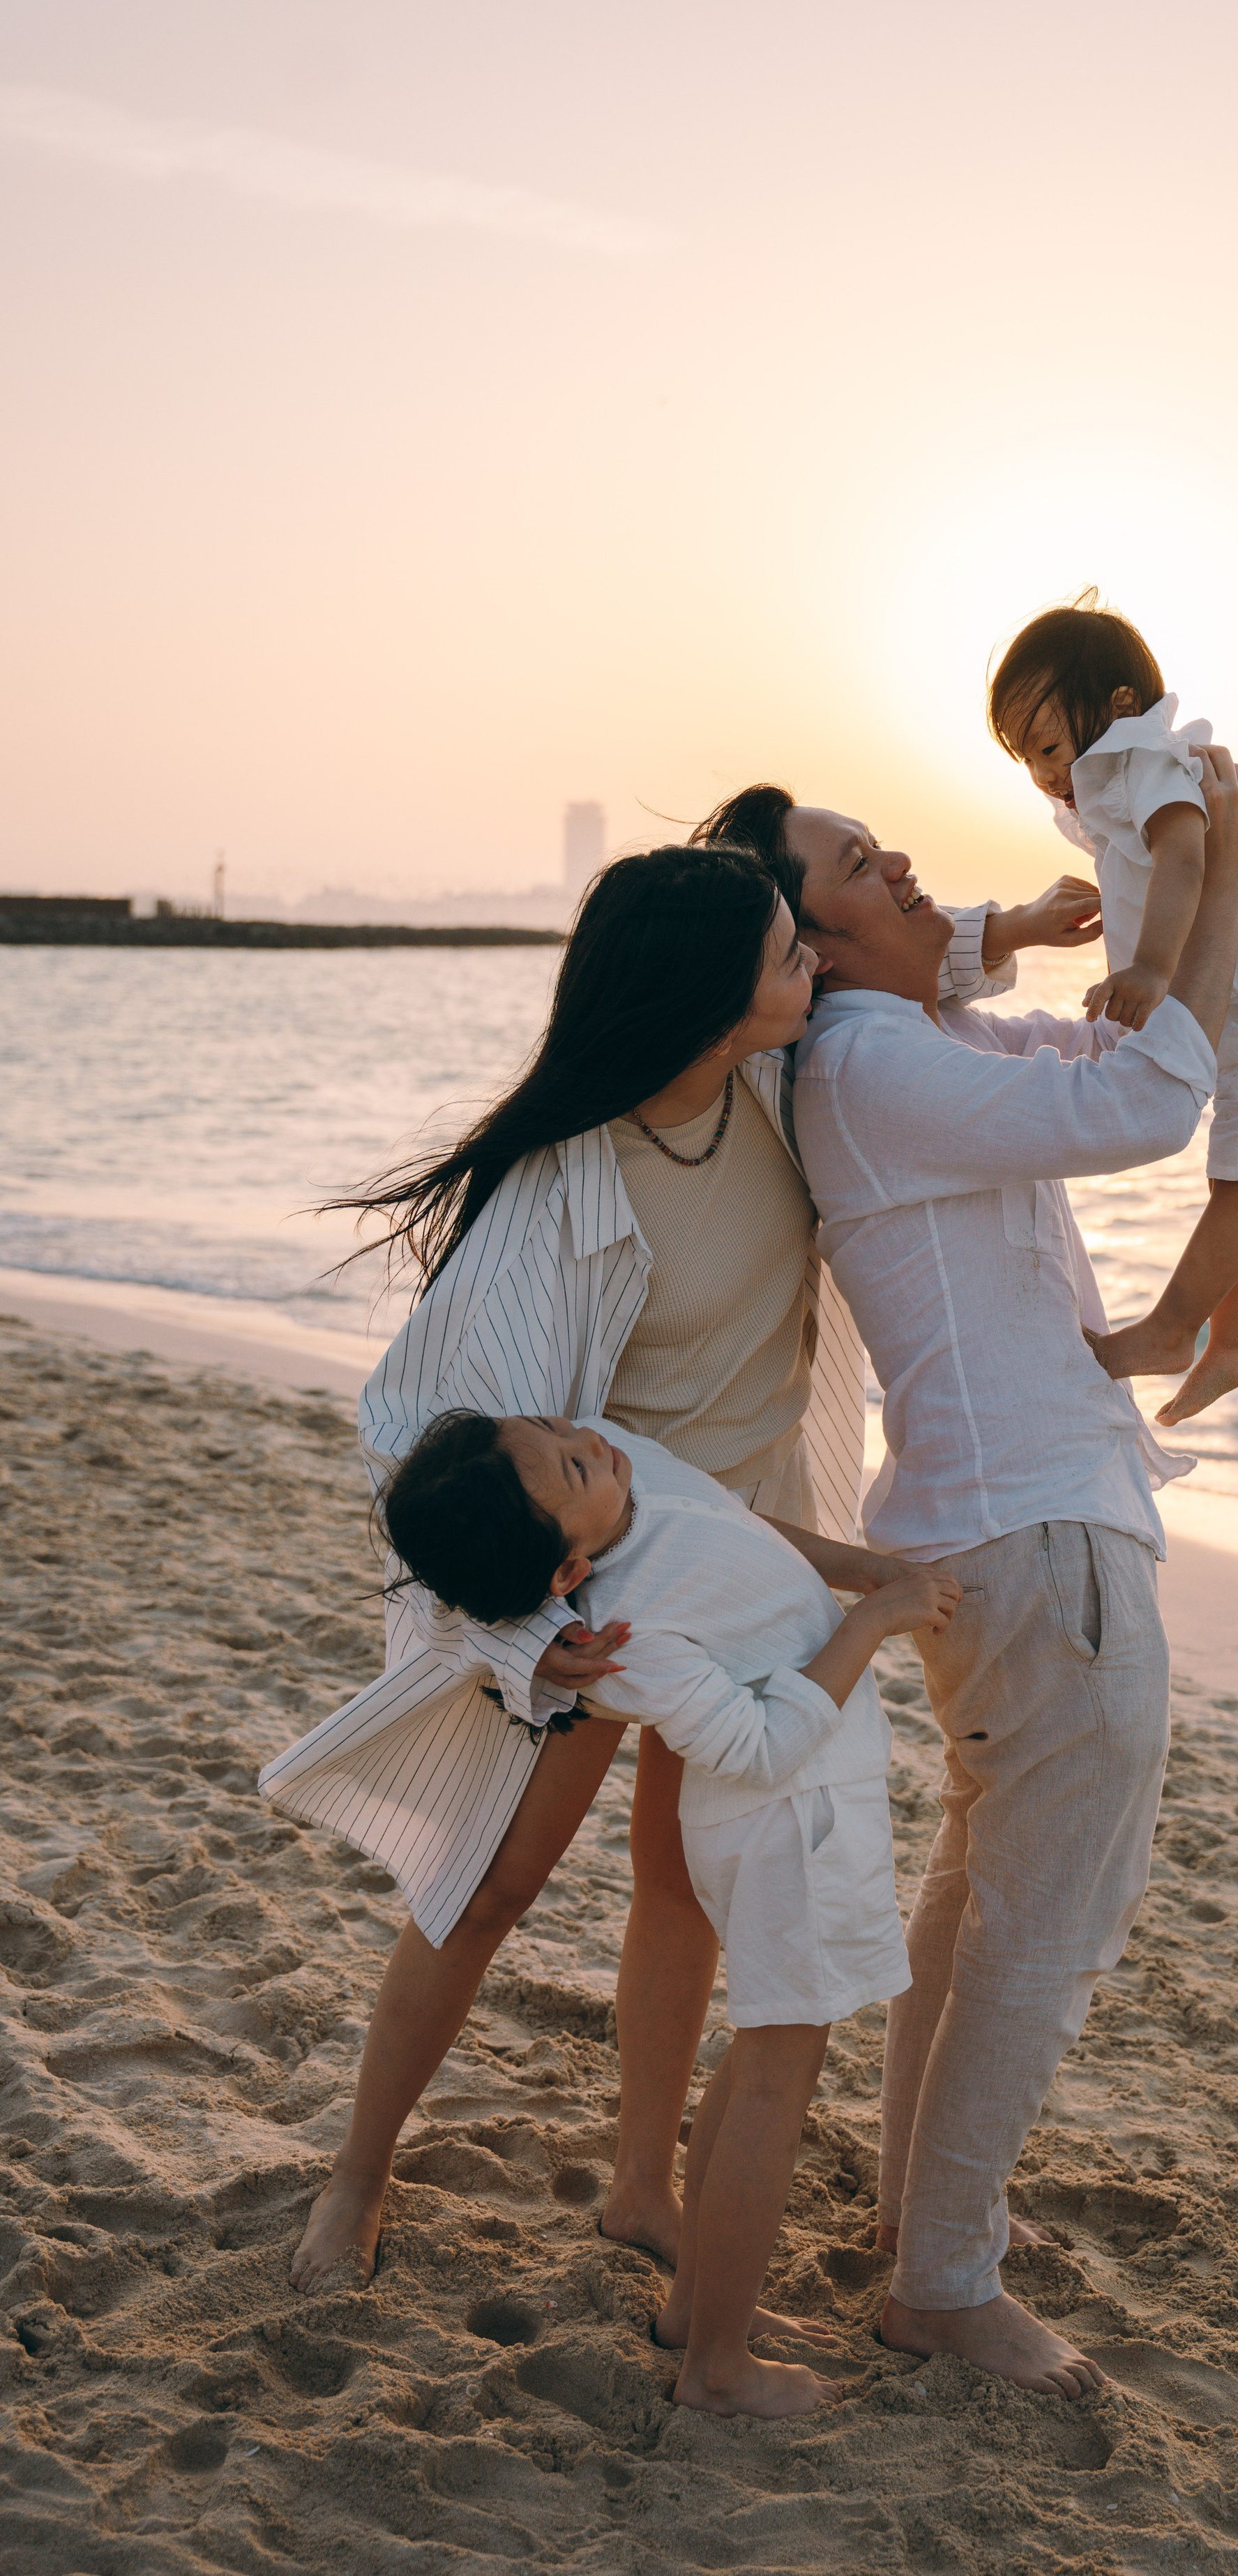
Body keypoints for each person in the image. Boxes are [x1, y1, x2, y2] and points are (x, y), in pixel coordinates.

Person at [264, 841, 1085, 2293]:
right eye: (784, 953)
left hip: (752, 1543)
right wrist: (529, 1640)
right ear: (712, 1000)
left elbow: (874, 941)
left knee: (682, 1878)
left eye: (799, 944)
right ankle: (356, 2172)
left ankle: (641, 2185)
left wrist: (1010, 924)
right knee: (493, 1882)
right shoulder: (554, 1190)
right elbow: (428, 1439)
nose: (812, 962)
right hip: (611, 1563)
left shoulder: (782, 1074)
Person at [700, 760, 1238, 2396]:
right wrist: (1211, 874)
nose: (901, 869)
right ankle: (941, 2280)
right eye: (859, 869)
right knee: (1039, 1927)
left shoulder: (900, 1040)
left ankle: (915, 2233)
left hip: (997, 1531)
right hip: (1034, 1537)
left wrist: (1029, 931)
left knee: (975, 1901)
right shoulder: (875, 1062)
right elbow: (1158, 1098)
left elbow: (1085, 1043)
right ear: (805, 953)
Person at [366, 1408, 959, 2417]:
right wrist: (871, 1623)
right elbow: (760, 1748)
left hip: (813, 1809)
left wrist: (870, 1573)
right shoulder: (630, 1636)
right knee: (778, 2077)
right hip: (792, 1824)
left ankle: (698, 2312)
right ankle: (717, 2366)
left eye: (556, 1427)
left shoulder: (632, 1484)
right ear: (564, 1577)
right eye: (569, 1462)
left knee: (768, 2050)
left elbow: (749, 1527)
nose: (587, 1436)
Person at [990, 594, 1238, 1423]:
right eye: (1025, 758)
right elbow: (1148, 862)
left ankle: (1173, 1332)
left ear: (1119, 708)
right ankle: (1234, 1343)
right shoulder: (1115, 776)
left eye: (1049, 745)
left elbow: (1184, 853)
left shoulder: (1147, 759)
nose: (1043, 773)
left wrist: (1150, 967)